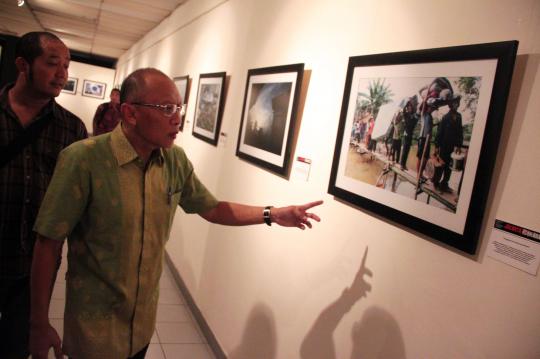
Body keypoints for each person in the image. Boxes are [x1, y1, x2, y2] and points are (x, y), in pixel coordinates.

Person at [29, 68, 323, 359]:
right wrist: (39, 322)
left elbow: (212, 208)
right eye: (166, 108)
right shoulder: (83, 159)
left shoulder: (174, 161)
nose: (177, 118)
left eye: (179, 107)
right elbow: (48, 242)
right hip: (95, 331)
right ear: (131, 113)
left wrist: (272, 214)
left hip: (142, 326)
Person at [0, 32, 88, 359]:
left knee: (14, 347)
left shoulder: (72, 129)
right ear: (23, 65)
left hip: (33, 266)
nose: (62, 74)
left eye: (66, 66)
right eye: (52, 64)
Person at [433, 95, 463, 192]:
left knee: (449, 167)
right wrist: (437, 146)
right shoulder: (445, 117)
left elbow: (460, 132)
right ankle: (436, 183)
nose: (456, 104)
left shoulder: (459, 116)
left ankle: (444, 184)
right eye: (454, 102)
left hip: (452, 147)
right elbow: (440, 133)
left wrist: (459, 145)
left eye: (457, 102)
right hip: (444, 146)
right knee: (441, 165)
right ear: (450, 104)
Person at [399, 96, 418, 170]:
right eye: (408, 107)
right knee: (404, 149)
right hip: (406, 134)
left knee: (407, 150)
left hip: (410, 134)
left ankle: (404, 165)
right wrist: (407, 103)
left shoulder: (413, 115)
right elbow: (403, 111)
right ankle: (401, 164)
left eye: (411, 107)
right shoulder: (406, 114)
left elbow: (417, 112)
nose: (410, 108)